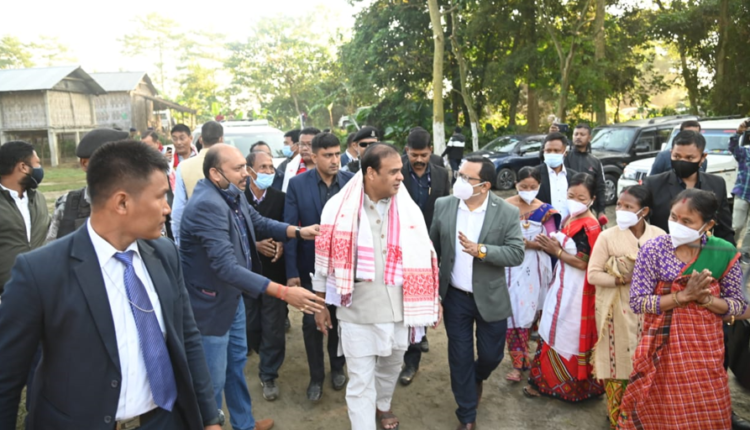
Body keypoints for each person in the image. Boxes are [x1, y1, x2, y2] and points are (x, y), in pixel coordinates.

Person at [0, 140, 222, 429]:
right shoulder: (40, 272)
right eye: (160, 197)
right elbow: (7, 378)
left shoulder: (165, 253)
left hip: (164, 420)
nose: (167, 208)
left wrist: (209, 418)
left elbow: (188, 338)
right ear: (122, 202)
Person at [180, 144, 325, 430]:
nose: (246, 174)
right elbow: (226, 267)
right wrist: (284, 292)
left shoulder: (232, 194)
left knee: (236, 366)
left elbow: (258, 222)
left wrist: (298, 232)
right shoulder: (208, 205)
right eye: (238, 169)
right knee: (212, 380)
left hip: (231, 298)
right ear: (215, 173)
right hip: (210, 306)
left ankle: (244, 424)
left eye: (245, 167)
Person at [313, 143, 441, 430]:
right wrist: (320, 304)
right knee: (360, 380)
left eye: (400, 171)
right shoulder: (339, 208)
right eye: (393, 171)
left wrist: (434, 298)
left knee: (392, 365)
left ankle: (383, 404)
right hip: (357, 309)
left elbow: (425, 254)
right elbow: (324, 259)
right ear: (371, 173)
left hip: (399, 308)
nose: (401, 177)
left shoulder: (407, 208)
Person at [618, 188, 748, 430]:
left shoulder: (723, 252)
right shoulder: (653, 250)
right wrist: (683, 296)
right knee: (658, 407)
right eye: (674, 217)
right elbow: (638, 302)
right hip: (661, 350)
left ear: (708, 225)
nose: (677, 225)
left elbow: (739, 306)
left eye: (687, 221)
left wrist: (706, 300)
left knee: (707, 406)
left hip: (705, 352)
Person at [430, 156, 524, 430]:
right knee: (459, 357)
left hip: (491, 297)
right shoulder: (444, 205)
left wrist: (481, 250)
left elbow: (516, 253)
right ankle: (467, 416)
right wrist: (433, 293)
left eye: (466, 178)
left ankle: (477, 376)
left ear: (484, 186)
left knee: (491, 356)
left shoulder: (506, 212)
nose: (459, 181)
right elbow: (433, 250)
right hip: (455, 297)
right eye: (459, 175)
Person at [587, 185, 666, 429]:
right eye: (619, 205)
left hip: (649, 313)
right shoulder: (607, 236)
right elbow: (593, 274)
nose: (620, 210)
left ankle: (636, 416)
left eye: (628, 207)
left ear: (644, 211)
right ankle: (617, 418)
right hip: (615, 312)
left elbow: (667, 273)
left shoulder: (659, 236)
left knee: (645, 364)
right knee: (617, 363)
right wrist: (622, 278)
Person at [525, 173, 605, 402]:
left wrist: (557, 252)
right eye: (571, 195)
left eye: (581, 197)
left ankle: (573, 388)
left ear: (592, 199)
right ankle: (545, 381)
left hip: (577, 290)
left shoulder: (590, 227)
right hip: (562, 283)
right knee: (552, 325)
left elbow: (583, 263)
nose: (575, 201)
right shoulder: (571, 217)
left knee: (567, 330)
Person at [285, 132, 354, 401]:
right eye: (327, 155)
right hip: (309, 267)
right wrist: (292, 273)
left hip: (343, 267)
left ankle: (337, 367)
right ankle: (316, 377)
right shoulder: (297, 184)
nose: (335, 160)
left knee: (339, 319)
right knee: (310, 323)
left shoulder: (351, 182)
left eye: (337, 154)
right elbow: (291, 229)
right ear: (314, 157)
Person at [398, 126, 451, 385]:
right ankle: (407, 352)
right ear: (406, 151)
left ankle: (416, 349)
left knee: (424, 295)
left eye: (424, 155)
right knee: (404, 297)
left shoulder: (442, 175)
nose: (419, 160)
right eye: (414, 155)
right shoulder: (395, 171)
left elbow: (447, 210)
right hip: (401, 244)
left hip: (431, 246)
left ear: (431, 151)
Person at [503, 166, 560, 383]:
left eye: (532, 187)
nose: (528, 190)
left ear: (539, 186)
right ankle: (518, 364)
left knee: (536, 314)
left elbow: (553, 242)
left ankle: (538, 361)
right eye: (523, 186)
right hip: (510, 269)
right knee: (514, 314)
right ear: (515, 184)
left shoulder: (546, 211)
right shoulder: (505, 206)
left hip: (537, 271)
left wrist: (528, 244)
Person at [243, 150, 289, 401]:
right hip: (246, 274)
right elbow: (231, 234)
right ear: (250, 171)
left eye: (271, 167)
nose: (269, 172)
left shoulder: (281, 198)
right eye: (263, 167)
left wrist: (281, 244)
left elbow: (287, 226)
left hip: (274, 272)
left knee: (273, 326)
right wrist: (255, 246)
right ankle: (261, 351)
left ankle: (269, 373)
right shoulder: (238, 199)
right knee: (251, 324)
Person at [643, 130, 734, 245]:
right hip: (662, 252)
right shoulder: (653, 184)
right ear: (671, 153)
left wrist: (730, 254)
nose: (682, 162)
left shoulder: (716, 184)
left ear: (703, 157)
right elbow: (640, 225)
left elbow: (724, 230)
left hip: (702, 252)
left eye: (690, 158)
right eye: (677, 156)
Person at [46, 128, 129, 243]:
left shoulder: (139, 202)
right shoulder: (67, 205)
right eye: (108, 159)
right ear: (85, 163)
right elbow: (52, 249)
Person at [0, 140, 49, 292]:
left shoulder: (38, 198)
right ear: (23, 167)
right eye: (37, 163)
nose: (40, 168)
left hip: (42, 290)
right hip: (6, 294)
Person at [171, 121, 224, 245]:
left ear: (200, 139)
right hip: (225, 231)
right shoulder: (230, 164)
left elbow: (178, 208)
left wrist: (178, 239)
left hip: (195, 234)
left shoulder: (183, 167)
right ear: (221, 139)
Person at [564, 124, 606, 215]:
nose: (578, 137)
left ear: (589, 138)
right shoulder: (565, 157)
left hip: (587, 209)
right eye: (576, 134)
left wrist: (601, 211)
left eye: (582, 134)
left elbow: (600, 187)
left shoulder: (595, 161)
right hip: (566, 209)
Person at [536, 132, 577, 219]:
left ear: (565, 152)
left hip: (569, 225)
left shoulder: (574, 177)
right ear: (543, 151)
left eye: (556, 151)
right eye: (548, 151)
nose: (552, 154)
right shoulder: (534, 174)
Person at [729, 119, 750, 259]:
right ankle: (730, 249)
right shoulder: (745, 152)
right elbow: (733, 147)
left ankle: (745, 253)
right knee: (737, 225)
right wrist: (738, 132)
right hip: (743, 193)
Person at [280, 127, 318, 192]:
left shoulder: (328, 166)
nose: (304, 148)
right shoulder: (289, 166)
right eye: (302, 144)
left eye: (310, 144)